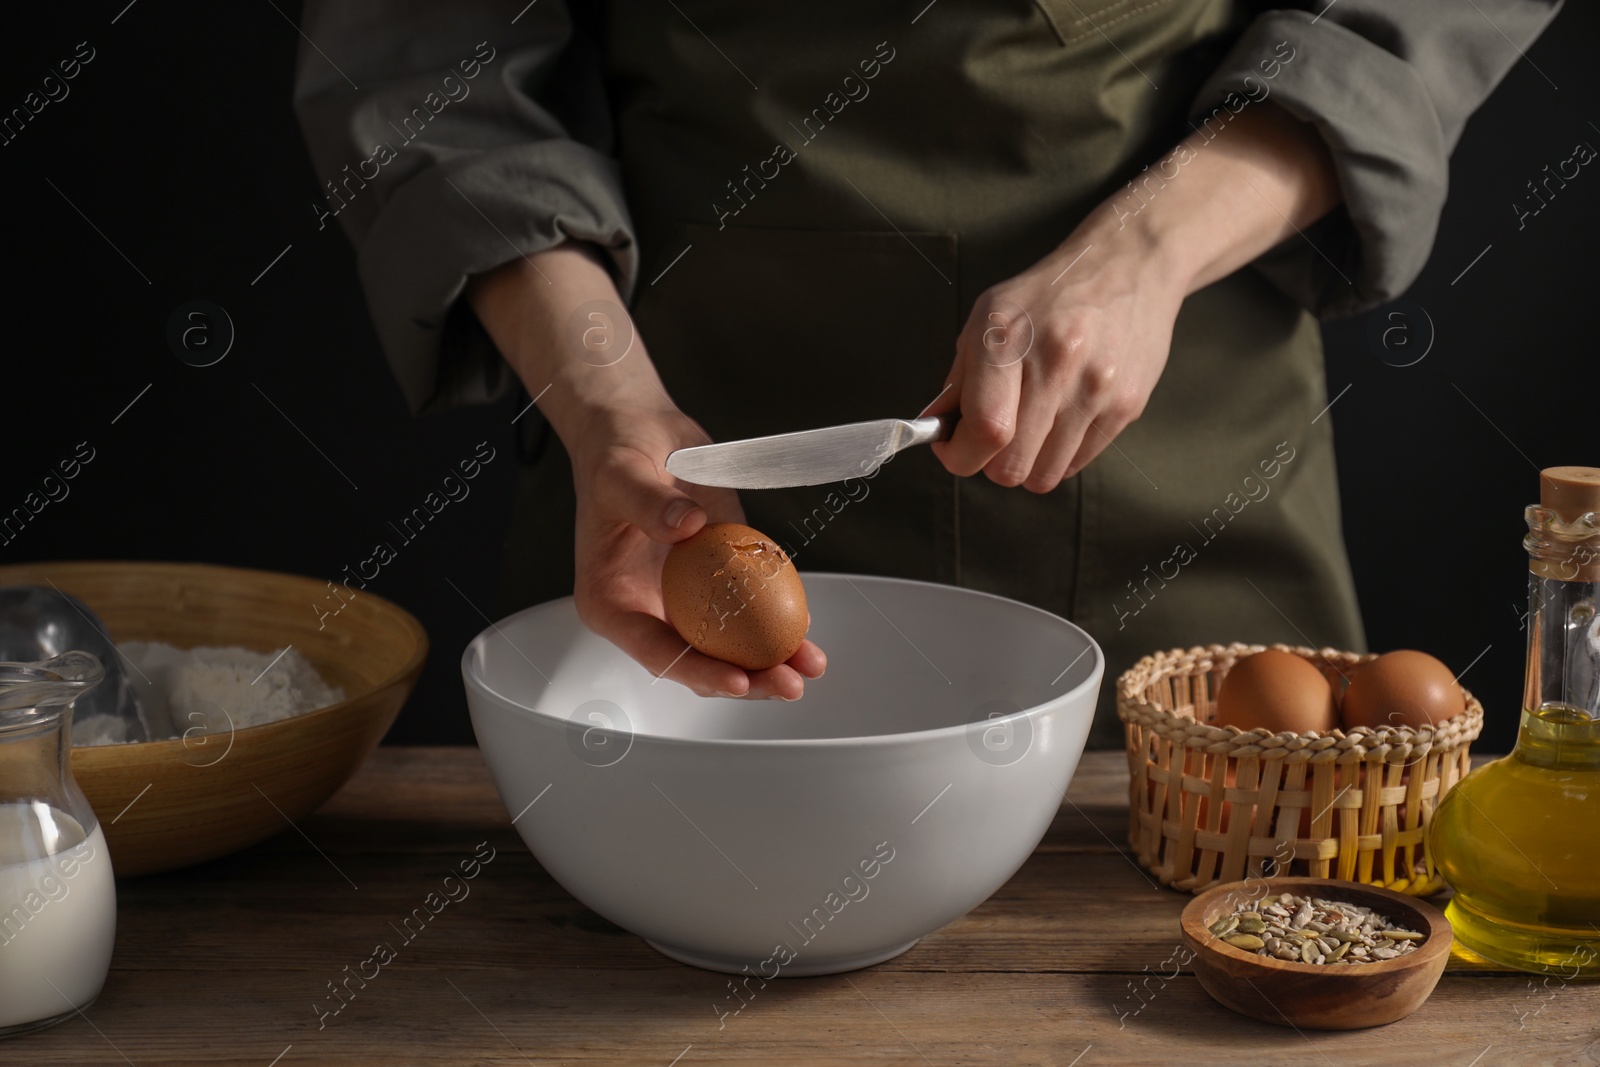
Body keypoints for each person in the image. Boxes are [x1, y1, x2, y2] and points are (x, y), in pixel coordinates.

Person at [295, 1, 1558, 747]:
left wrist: (1153, 246)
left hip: (1176, 463)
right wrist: (606, 404)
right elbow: (420, 66)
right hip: (680, 434)